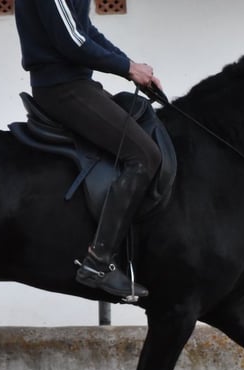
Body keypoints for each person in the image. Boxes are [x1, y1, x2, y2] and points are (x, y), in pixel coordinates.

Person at [15, 0, 163, 300]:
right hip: (62, 87)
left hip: (77, 82)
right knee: (144, 156)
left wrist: (132, 69)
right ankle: (98, 262)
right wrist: (128, 68)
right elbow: (73, 41)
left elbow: (87, 31)